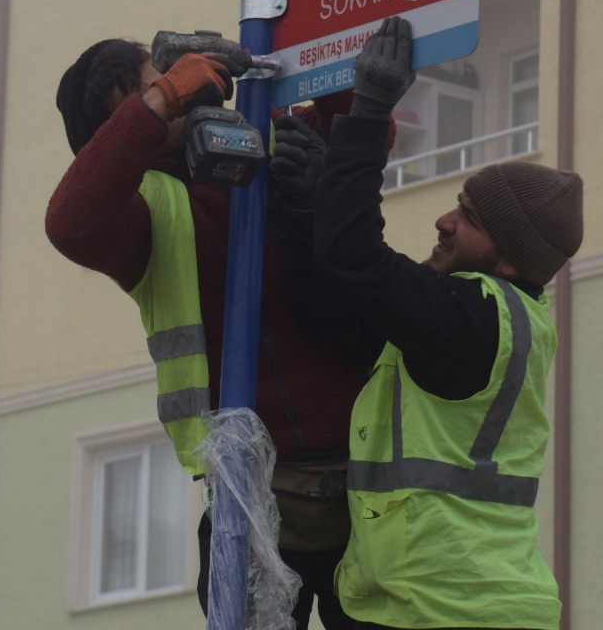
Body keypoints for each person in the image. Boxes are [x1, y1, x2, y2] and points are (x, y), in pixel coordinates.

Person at [45, 35, 379, 630]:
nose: (184, 96)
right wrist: (160, 101)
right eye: (159, 94)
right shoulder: (145, 214)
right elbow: (71, 222)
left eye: (175, 81)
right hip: (257, 499)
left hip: (374, 479)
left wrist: (316, 55)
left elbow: (358, 134)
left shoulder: (259, 137)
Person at [312, 16, 583, 630]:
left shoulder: (472, 317)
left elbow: (353, 255)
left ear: (510, 259)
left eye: (469, 218)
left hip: (439, 608)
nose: (443, 221)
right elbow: (353, 286)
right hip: (464, 604)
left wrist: (370, 109)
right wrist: (318, 196)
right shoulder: (504, 319)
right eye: (457, 204)